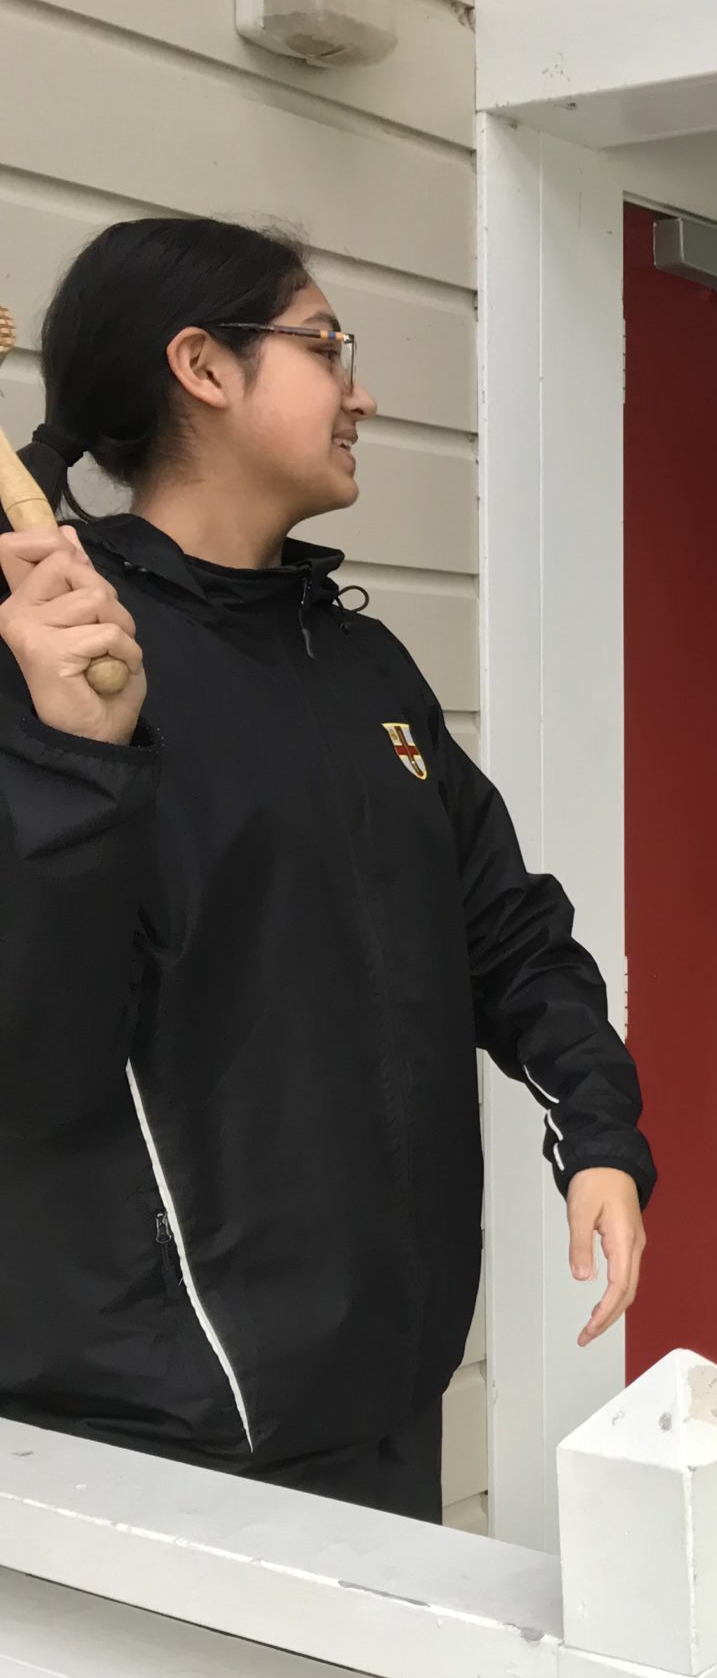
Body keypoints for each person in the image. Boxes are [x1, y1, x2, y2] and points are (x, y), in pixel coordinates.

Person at [0, 217, 651, 1522]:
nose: (362, 393)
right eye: (326, 346)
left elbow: (508, 934)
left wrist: (599, 1130)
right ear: (203, 366)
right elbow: (34, 1048)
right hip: (162, 1427)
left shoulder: (360, 667)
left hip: (384, 1386)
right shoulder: (59, 665)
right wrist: (79, 760)